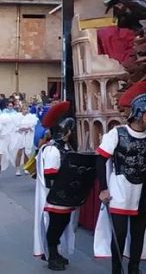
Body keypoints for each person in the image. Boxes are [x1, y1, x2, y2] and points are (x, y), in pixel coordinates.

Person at [94, 81, 146, 274]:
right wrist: (104, 189)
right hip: (120, 192)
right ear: (139, 113)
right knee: (120, 235)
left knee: (139, 234)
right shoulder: (117, 134)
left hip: (142, 193)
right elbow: (101, 160)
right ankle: (117, 270)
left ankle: (134, 269)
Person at [32, 101, 78, 271]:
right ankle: (52, 255)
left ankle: (56, 252)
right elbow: (52, 176)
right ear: (61, 129)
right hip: (55, 197)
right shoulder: (52, 150)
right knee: (55, 224)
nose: (71, 132)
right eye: (68, 128)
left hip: (64, 197)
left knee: (63, 222)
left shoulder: (65, 147)